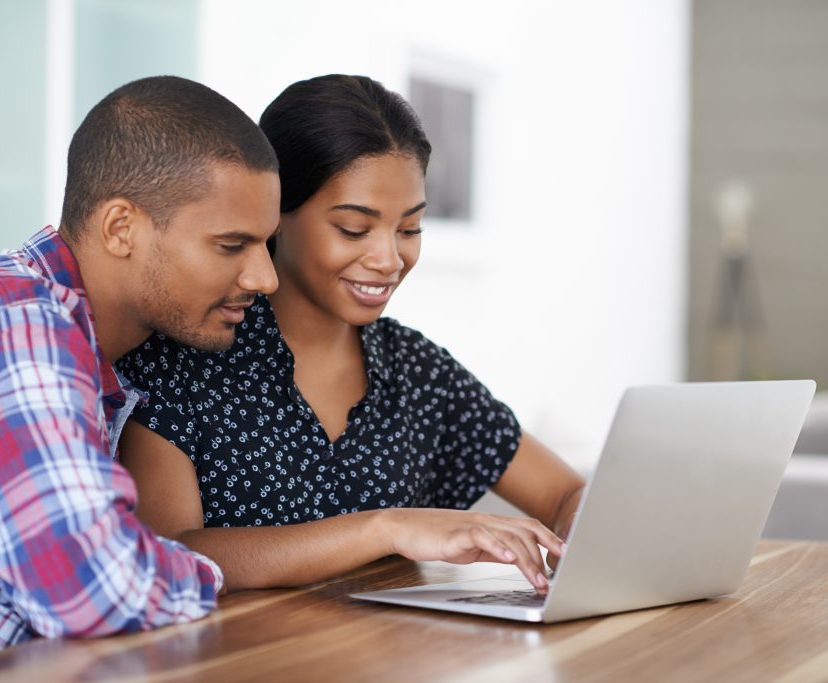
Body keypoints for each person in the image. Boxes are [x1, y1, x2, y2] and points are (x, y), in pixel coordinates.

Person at [117, 75, 585, 595]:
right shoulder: (185, 352)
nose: (389, 260)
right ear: (274, 214)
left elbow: (568, 492)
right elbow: (170, 550)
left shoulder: (415, 368)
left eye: (409, 229)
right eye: (353, 229)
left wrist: (579, 543)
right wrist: (387, 527)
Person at [0, 75, 281, 663]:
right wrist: (203, 570)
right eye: (231, 246)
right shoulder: (12, 323)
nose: (265, 278)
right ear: (120, 228)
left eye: (266, 245)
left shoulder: (70, 332)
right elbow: (94, 592)